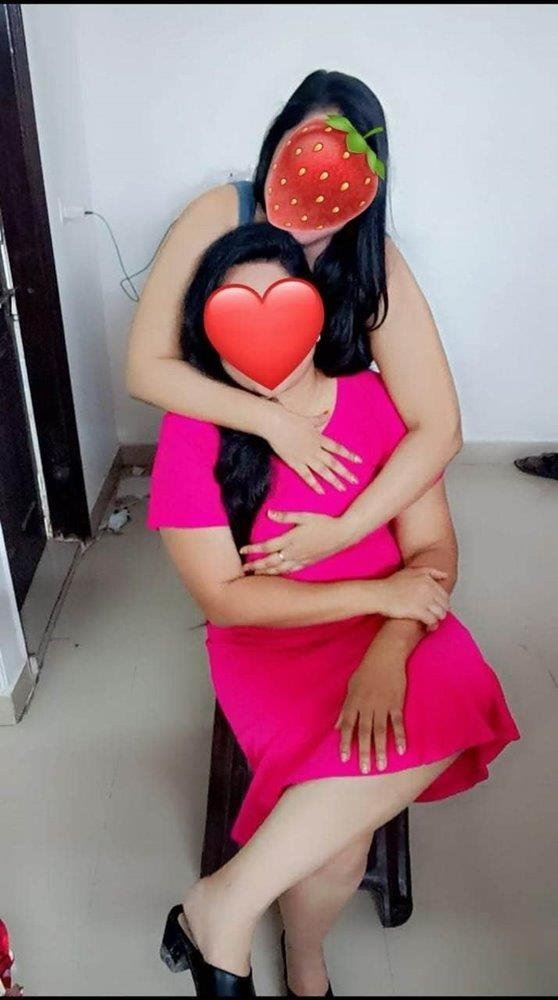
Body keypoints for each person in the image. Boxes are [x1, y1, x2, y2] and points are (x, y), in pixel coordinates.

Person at [147, 222, 520, 999]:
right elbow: (225, 598)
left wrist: (388, 645)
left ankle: (222, 906)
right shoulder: (194, 430)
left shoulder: (376, 401)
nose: (264, 331)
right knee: (342, 849)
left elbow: (433, 549)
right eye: (235, 312)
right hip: (270, 640)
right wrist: (376, 593)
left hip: (398, 624)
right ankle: (305, 968)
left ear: (318, 315)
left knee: (460, 690)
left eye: (282, 304)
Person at [128, 69, 463, 580]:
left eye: (341, 168)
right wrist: (272, 421)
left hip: (329, 450)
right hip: (231, 447)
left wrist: (346, 531)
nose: (317, 181)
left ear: (370, 186)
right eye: (303, 153)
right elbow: (145, 369)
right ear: (274, 147)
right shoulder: (221, 213)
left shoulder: (371, 256)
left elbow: (440, 427)